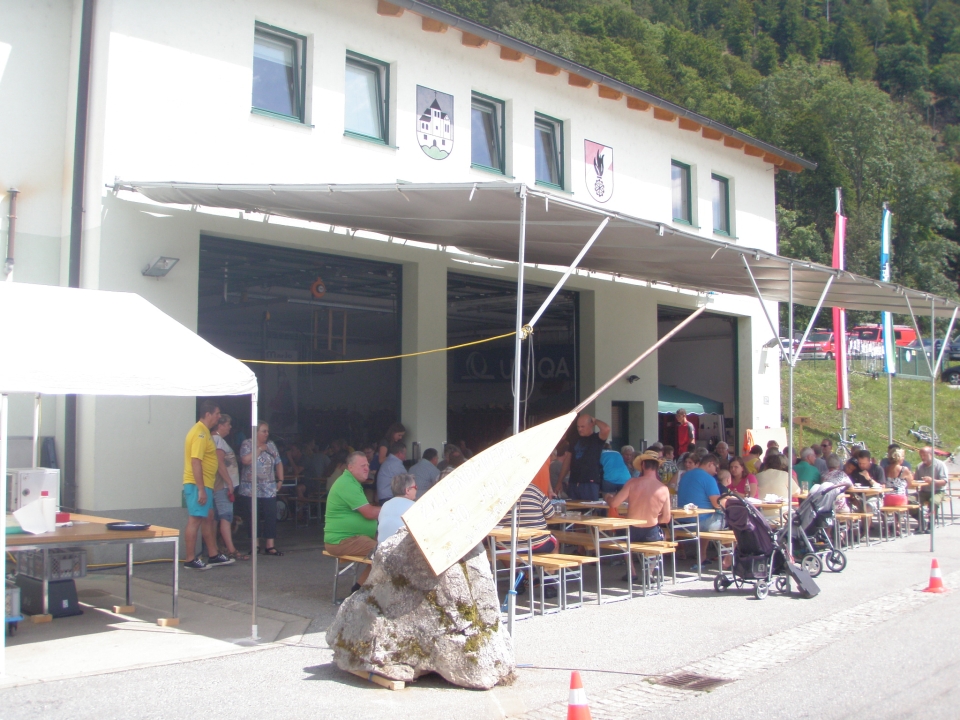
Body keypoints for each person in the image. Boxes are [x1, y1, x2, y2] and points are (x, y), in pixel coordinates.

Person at [182, 401, 235, 570]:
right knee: (195, 519)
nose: (219, 417)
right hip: (198, 484)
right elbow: (195, 461)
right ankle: (190, 559)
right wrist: (200, 489)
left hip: (206, 484)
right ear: (208, 414)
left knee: (209, 517)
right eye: (217, 413)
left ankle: (213, 554)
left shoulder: (205, 432)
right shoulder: (199, 433)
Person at [606, 451, 671, 581]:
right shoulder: (663, 489)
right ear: (657, 467)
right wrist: (653, 518)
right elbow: (666, 518)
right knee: (663, 536)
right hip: (651, 531)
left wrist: (608, 497)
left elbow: (614, 503)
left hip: (631, 530)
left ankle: (632, 571)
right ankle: (649, 572)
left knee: (623, 538)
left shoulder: (632, 483)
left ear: (643, 465)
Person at [325, 451, 380, 589]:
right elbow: (369, 513)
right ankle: (359, 592)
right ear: (350, 467)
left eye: (367, 465)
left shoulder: (351, 482)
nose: (367, 468)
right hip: (343, 540)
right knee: (384, 553)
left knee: (387, 550)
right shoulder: (347, 484)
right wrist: (392, 509)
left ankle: (359, 590)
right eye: (363, 466)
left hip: (353, 538)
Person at [497, 481, 559, 596]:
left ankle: (516, 580)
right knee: (555, 542)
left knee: (501, 546)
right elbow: (551, 514)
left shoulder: (500, 491)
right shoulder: (534, 489)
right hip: (537, 544)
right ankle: (549, 583)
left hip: (507, 545)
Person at [239, 421, 285, 556]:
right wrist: (259, 449)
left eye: (267, 431)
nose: (267, 434)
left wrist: (280, 479)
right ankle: (255, 544)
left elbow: (278, 462)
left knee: (270, 514)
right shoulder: (247, 444)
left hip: (268, 486)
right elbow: (245, 460)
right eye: (264, 431)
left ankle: (270, 545)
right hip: (250, 488)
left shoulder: (271, 444)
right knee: (253, 515)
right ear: (256, 432)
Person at [676, 454, 724, 565]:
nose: (716, 472)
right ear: (710, 464)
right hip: (699, 523)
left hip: (680, 523)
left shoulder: (685, 475)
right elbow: (717, 504)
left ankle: (702, 556)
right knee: (732, 520)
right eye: (716, 468)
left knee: (707, 516)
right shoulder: (709, 479)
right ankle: (728, 558)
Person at [212, 414, 248, 561]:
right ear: (220, 425)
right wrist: (229, 482)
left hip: (217, 485)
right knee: (226, 517)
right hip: (222, 485)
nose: (230, 427)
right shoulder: (218, 441)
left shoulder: (215, 440)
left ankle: (215, 548)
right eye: (228, 424)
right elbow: (219, 463)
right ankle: (231, 549)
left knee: (215, 518)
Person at [557, 413, 610, 501]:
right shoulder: (574, 439)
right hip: (573, 482)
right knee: (572, 508)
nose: (580, 429)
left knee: (590, 508)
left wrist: (595, 421)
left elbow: (606, 429)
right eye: (578, 427)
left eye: (582, 427)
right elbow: (567, 462)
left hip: (590, 482)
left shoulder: (597, 438)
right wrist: (559, 481)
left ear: (591, 425)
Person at [377, 473, 417, 544]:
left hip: (382, 548)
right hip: (402, 548)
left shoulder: (385, 505)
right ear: (407, 490)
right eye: (415, 487)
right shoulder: (414, 506)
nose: (416, 490)